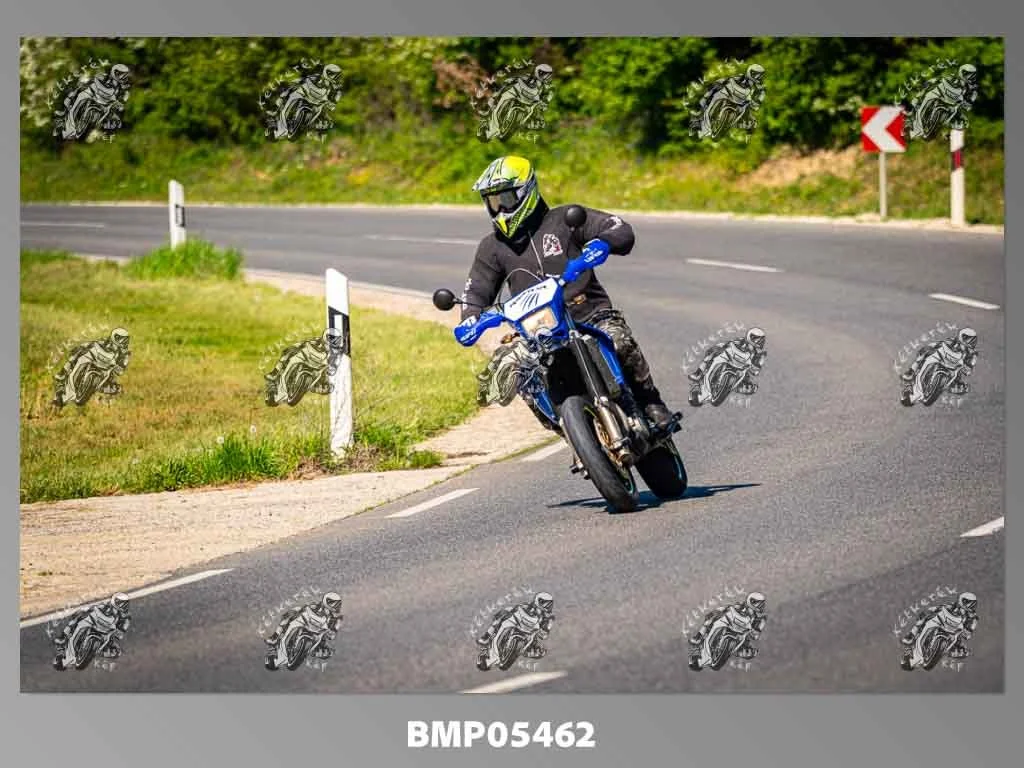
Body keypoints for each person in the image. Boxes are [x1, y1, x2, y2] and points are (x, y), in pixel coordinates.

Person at [459, 155, 676, 431]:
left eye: (506, 198)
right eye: (492, 201)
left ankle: (650, 402)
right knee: (517, 371)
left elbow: (619, 228)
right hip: (537, 334)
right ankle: (570, 432)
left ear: (526, 191)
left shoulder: (566, 218)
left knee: (618, 340)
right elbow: (476, 291)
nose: (500, 208)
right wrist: (469, 318)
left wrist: (602, 244)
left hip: (590, 314)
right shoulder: (491, 247)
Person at [53, 593, 132, 670]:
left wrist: (119, 632)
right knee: (76, 618)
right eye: (120, 602)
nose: (121, 605)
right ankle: (64, 636)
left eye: (123, 603)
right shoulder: (106, 604)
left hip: (105, 631)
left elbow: (123, 628)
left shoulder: (124, 614)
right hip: (93, 622)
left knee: (116, 652)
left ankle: (96, 651)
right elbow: (90, 606)